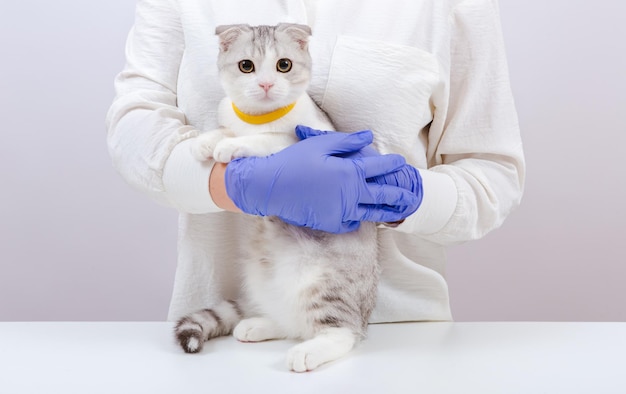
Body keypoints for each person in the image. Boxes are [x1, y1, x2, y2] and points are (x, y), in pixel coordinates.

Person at [106, 0, 525, 323]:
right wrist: (233, 183)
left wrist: (401, 196)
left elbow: (494, 170)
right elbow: (135, 126)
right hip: (231, 328)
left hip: (396, 332)